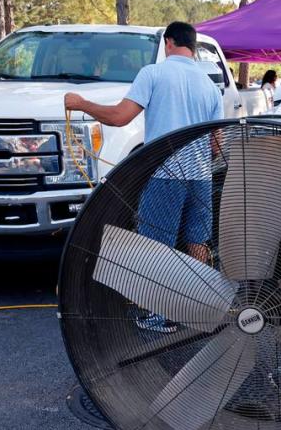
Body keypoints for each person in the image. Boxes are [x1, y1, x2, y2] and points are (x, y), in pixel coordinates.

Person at [64, 21, 224, 333]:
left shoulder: (153, 73)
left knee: (157, 247)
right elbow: (216, 144)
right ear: (193, 47)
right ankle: (199, 311)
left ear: (168, 42)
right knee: (197, 242)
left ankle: (161, 316)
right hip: (201, 177)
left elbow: (120, 117)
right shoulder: (208, 85)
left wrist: (81, 104)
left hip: (165, 175)